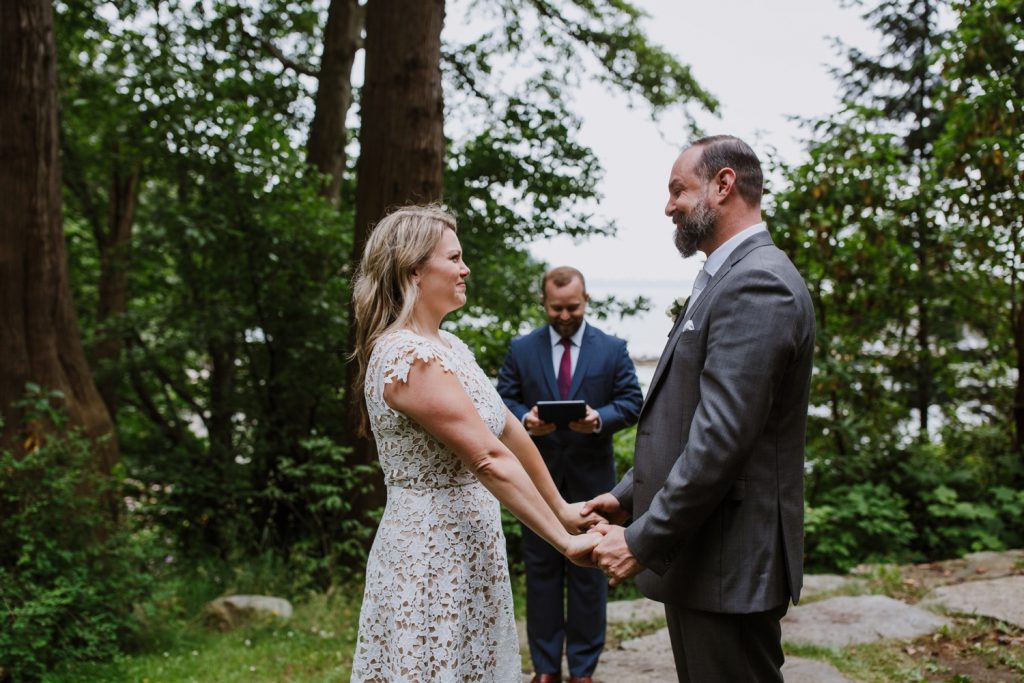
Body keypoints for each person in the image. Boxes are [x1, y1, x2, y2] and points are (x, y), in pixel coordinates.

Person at [583, 136, 816, 682]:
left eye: (678, 190)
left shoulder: (759, 282)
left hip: (729, 562)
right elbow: (686, 420)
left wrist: (642, 539)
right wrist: (625, 497)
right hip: (704, 557)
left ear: (724, 184)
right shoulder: (725, 274)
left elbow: (719, 441)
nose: (669, 206)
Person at [348, 205, 604, 682]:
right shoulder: (406, 355)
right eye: (455, 258)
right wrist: (564, 541)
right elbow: (486, 457)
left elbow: (507, 429)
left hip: (472, 548)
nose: (466, 269)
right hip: (429, 550)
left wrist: (563, 508)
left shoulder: (450, 346)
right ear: (415, 271)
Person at [497, 266, 643, 683]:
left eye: (572, 308)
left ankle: (583, 670)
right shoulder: (522, 349)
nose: (564, 316)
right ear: (544, 303)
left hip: (594, 483)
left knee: (589, 576)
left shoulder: (612, 349)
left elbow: (632, 400)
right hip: (537, 484)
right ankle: (545, 669)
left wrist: (600, 419)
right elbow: (502, 399)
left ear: (586, 300)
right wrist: (526, 420)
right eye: (556, 308)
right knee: (541, 574)